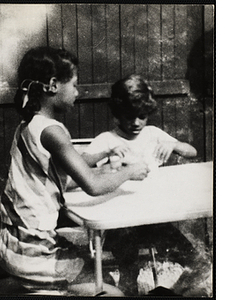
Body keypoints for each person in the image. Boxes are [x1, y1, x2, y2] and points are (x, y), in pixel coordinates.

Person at [0, 47, 149, 293]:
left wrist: (104, 159)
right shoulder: (53, 132)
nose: (78, 92)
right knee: (112, 289)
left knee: (97, 266)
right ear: (53, 85)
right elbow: (92, 186)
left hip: (13, 243)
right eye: (75, 85)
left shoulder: (29, 125)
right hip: (34, 253)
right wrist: (130, 171)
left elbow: (63, 177)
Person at [81, 74, 198, 269]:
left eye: (142, 116)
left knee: (192, 258)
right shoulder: (108, 139)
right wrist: (107, 154)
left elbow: (192, 152)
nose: (136, 123)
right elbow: (81, 164)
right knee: (129, 266)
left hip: (154, 216)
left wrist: (173, 144)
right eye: (129, 116)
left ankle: (176, 290)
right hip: (120, 221)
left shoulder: (153, 134)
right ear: (117, 113)